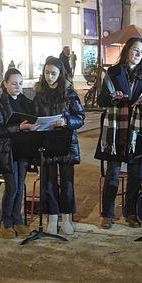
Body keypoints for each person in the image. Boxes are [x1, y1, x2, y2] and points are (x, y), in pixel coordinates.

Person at [95, 38, 142, 228]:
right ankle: (108, 214)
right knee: (113, 173)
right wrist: (113, 99)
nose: (138, 54)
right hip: (115, 130)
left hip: (138, 130)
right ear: (127, 50)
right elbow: (101, 100)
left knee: (136, 174)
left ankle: (131, 212)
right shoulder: (113, 72)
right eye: (135, 50)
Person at [32, 56, 85, 235]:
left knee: (67, 183)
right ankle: (52, 218)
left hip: (66, 143)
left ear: (60, 74)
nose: (49, 77)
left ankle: (67, 217)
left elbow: (80, 117)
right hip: (46, 143)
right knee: (48, 182)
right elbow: (33, 116)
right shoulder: (39, 95)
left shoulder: (70, 93)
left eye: (53, 73)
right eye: (47, 72)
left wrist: (66, 120)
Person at [0, 68, 35, 238]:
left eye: (20, 83)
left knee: (20, 186)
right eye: (14, 83)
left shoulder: (26, 102)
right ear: (5, 83)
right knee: (12, 186)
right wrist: (18, 127)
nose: (17, 87)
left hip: (23, 149)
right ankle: (5, 221)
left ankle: (17, 220)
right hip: (6, 151)